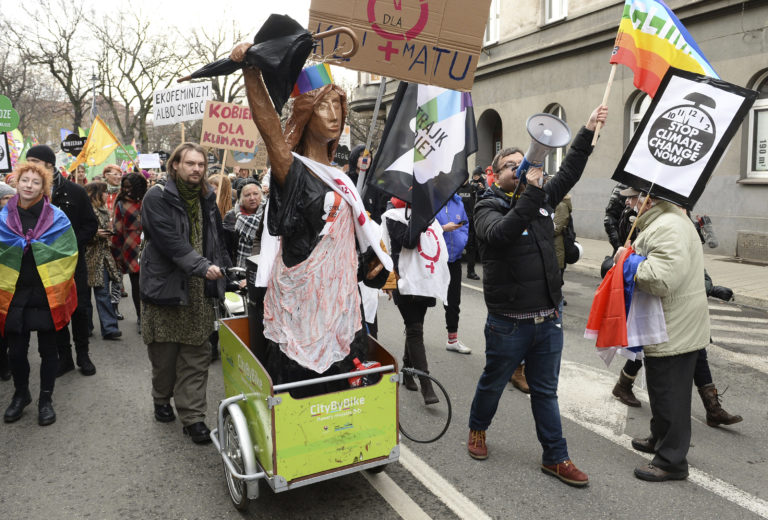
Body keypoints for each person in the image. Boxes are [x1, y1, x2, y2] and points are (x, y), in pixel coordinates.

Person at [233, 46, 391, 395]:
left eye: (338, 105)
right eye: (323, 105)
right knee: (303, 386)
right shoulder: (292, 168)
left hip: (340, 300)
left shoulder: (342, 178)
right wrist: (250, 71)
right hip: (300, 300)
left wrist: (371, 261)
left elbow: (354, 236)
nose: (334, 114)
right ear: (306, 113)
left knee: (343, 384)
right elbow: (269, 126)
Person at [467, 105, 608, 488]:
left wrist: (586, 131)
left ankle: (556, 457)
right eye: (516, 164)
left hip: (548, 319)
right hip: (509, 323)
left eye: (528, 161)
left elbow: (571, 171)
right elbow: (503, 233)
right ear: (497, 174)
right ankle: (478, 428)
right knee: (493, 381)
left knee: (545, 391)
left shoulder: (542, 197)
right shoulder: (486, 205)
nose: (526, 167)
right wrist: (531, 188)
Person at [609, 188, 742, 428]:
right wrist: (623, 260)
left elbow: (689, 264)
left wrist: (709, 287)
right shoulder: (651, 219)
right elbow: (661, 274)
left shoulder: (677, 219)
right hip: (657, 306)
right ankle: (627, 388)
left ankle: (711, 407)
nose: (629, 202)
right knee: (649, 355)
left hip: (680, 307)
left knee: (692, 351)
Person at [612, 189, 710, 482]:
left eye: (632, 198)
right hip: (666, 323)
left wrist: (625, 262)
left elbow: (661, 279)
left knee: (671, 394)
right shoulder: (663, 221)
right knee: (660, 388)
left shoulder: (669, 226)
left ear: (648, 199)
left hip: (674, 327)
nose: (628, 203)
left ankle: (671, 461)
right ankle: (659, 438)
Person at [140, 142, 230, 444]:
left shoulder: (207, 196)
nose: (196, 169)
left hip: (199, 290)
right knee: (165, 356)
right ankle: (161, 397)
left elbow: (216, 240)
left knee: (197, 354)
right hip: (166, 286)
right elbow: (169, 242)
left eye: (201, 164)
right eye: (190, 163)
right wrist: (202, 265)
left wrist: (229, 275)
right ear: (175, 165)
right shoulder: (157, 197)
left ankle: (193, 417)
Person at [1, 162, 78, 425]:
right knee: (16, 352)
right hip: (14, 293)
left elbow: (69, 252)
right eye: (25, 181)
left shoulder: (57, 218)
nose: (29, 186)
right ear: (17, 183)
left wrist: (36, 248)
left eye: (36, 182)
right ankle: (21, 395)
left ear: (43, 187)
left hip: (46, 293)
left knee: (49, 350)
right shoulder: (3, 217)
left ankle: (46, 399)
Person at [26, 145, 99, 377]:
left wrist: (70, 245)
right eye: (28, 161)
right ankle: (64, 357)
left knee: (79, 310)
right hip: (44, 267)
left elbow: (91, 224)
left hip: (73, 264)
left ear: (49, 165)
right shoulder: (29, 194)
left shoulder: (75, 191)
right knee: (54, 311)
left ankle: (83, 356)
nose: (31, 166)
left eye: (35, 161)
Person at [382, 197, 449, 404]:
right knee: (414, 329)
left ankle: (407, 369)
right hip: (404, 280)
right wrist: (419, 220)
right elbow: (408, 242)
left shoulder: (430, 218)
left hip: (425, 279)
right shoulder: (393, 216)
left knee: (416, 325)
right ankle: (426, 384)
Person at [84, 181, 122, 340]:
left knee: (103, 293)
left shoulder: (104, 209)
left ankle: (109, 327)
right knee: (84, 296)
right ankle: (85, 327)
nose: (107, 194)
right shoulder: (85, 210)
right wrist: (95, 234)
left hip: (103, 256)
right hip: (87, 256)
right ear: (95, 193)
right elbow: (77, 232)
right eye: (104, 191)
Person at [435, 192, 471, 354]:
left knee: (453, 301)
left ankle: (452, 340)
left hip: (454, 259)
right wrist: (443, 228)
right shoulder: (430, 201)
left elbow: (465, 225)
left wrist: (462, 240)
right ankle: (414, 341)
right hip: (433, 259)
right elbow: (423, 226)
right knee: (421, 301)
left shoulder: (458, 202)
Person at [112, 173, 147, 329]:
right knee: (136, 285)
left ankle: (151, 316)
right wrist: (117, 255)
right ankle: (141, 317)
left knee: (151, 285)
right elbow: (117, 231)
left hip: (150, 247)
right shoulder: (121, 204)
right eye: (124, 187)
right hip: (131, 250)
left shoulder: (149, 200)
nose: (127, 190)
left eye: (130, 187)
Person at [224, 179, 264, 269]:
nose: (252, 198)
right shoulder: (231, 216)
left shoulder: (268, 214)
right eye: (247, 195)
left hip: (263, 268)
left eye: (255, 194)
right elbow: (226, 249)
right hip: (237, 269)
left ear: (261, 195)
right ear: (240, 198)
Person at [103, 164, 126, 317]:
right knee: (104, 276)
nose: (118, 177)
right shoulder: (99, 191)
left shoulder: (124, 193)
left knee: (118, 274)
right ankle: (105, 307)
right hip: (103, 239)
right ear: (106, 175)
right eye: (115, 174)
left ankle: (115, 305)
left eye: (120, 174)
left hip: (119, 239)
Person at [0, 182, 16, 380]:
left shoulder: (18, 220)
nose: (11, 201)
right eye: (6, 198)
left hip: (11, 280)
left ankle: (7, 363)